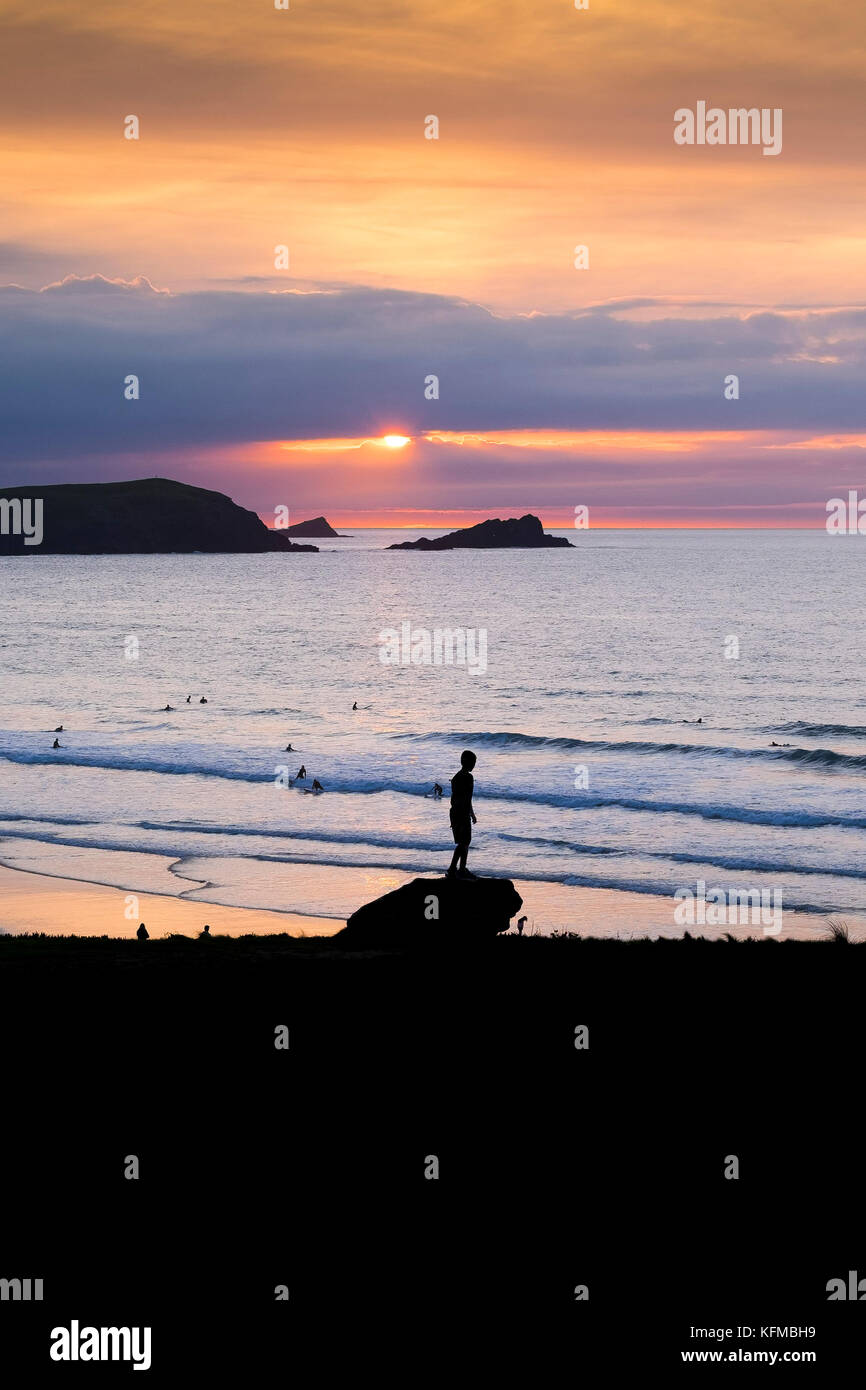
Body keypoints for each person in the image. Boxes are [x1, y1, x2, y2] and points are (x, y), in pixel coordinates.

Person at [447, 749, 477, 878]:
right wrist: (469, 813)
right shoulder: (468, 777)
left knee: (464, 842)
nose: (474, 765)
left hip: (456, 812)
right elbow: (466, 798)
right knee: (464, 842)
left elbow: (458, 798)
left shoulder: (456, 777)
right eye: (473, 762)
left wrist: (470, 813)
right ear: (468, 763)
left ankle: (459, 869)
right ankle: (456, 869)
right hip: (461, 812)